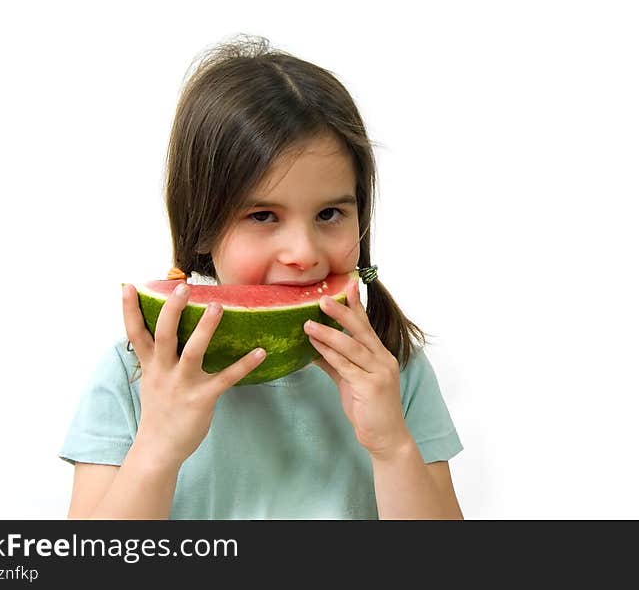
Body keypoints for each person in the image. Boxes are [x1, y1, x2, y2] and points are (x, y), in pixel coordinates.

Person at [59, 35, 463, 519]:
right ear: (202, 226)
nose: (303, 253)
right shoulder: (135, 375)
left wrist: (392, 446)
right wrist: (157, 449)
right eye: (264, 216)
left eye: (330, 213)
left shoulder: (392, 366)